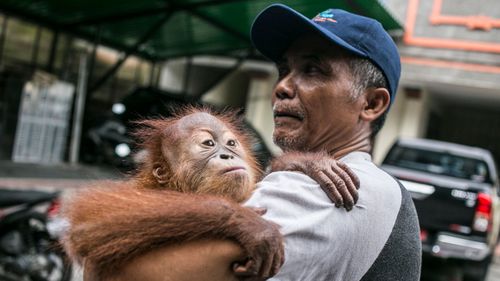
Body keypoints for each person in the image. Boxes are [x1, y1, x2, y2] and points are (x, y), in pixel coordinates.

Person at [81, 4, 422, 281]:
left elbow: (114, 271)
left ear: (372, 104)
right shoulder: (363, 185)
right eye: (284, 69)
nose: (283, 86)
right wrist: (230, 211)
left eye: (314, 70)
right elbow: (91, 236)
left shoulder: (330, 192)